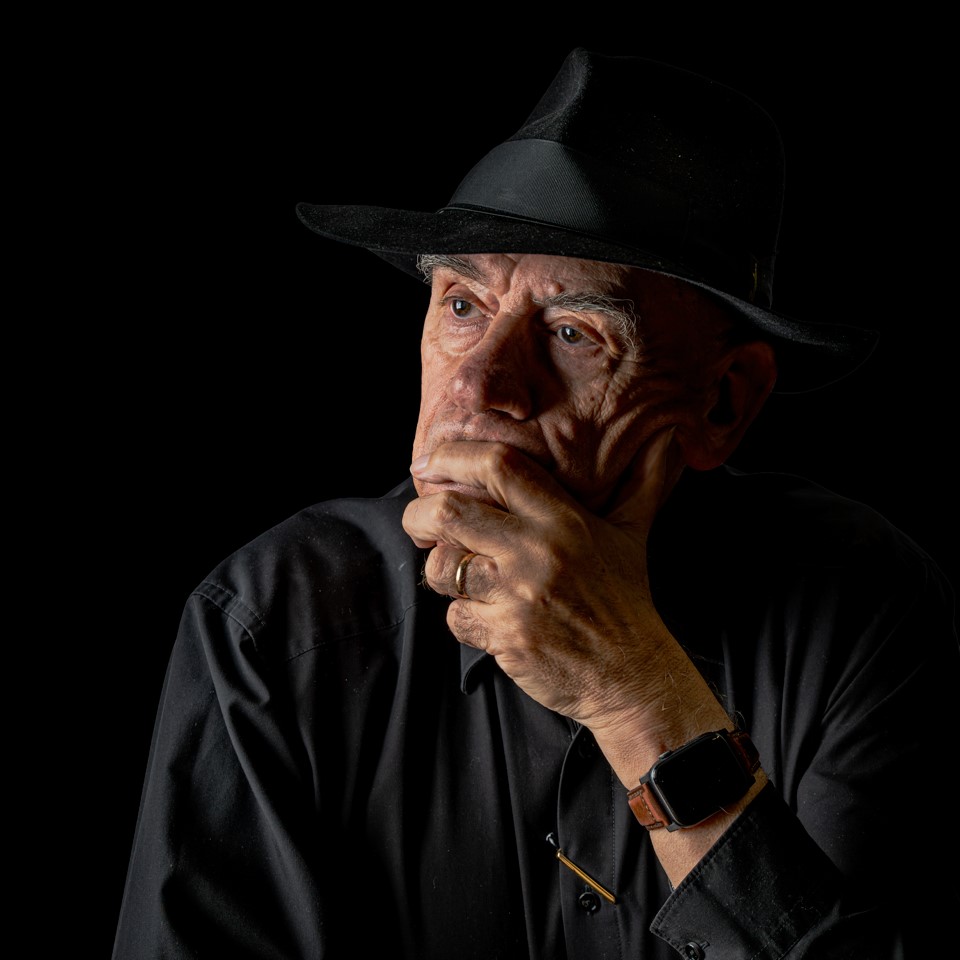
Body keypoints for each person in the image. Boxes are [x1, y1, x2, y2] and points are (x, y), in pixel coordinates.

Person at [113, 48, 959, 959]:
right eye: (463, 306)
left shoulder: (860, 609)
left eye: (573, 333)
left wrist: (637, 698)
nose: (479, 386)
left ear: (721, 403)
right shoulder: (276, 624)